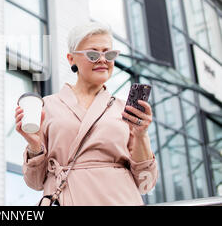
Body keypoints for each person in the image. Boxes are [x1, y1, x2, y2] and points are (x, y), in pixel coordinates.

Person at [14, 21, 158, 205]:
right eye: (92, 54)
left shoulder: (125, 109)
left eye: (109, 53)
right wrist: (34, 146)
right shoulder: (47, 106)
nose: (103, 59)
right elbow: (34, 182)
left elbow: (146, 184)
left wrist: (141, 135)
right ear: (71, 58)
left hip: (120, 199)